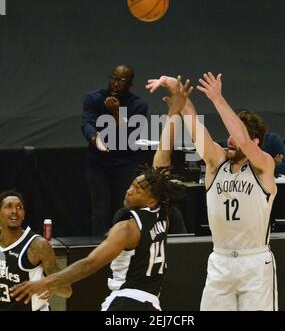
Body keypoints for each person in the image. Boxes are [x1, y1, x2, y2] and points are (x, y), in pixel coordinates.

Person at [10, 78, 192, 311]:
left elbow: (90, 263)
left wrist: (47, 281)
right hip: (152, 303)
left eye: (137, 189)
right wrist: (174, 112)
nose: (129, 190)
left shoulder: (127, 228)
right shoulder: (161, 210)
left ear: (150, 199)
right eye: (132, 185)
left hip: (126, 302)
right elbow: (163, 153)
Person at [146, 73, 278, 311]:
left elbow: (243, 141)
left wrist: (217, 99)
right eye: (228, 134)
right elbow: (190, 117)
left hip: (255, 262)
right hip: (220, 260)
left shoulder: (264, 166)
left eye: (235, 135)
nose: (230, 139)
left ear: (256, 141)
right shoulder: (216, 162)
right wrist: (173, 86)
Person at [81, 64, 148, 236]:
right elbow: (87, 123)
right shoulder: (94, 98)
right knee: (100, 211)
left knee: (124, 209)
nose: (115, 83)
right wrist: (95, 139)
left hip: (124, 164)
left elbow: (130, 139)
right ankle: (98, 252)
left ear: (130, 85)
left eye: (121, 80)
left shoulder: (138, 105)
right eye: (113, 78)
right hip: (98, 163)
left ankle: (123, 249)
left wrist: (117, 113)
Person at [0, 190, 72, 311]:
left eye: (19, 207)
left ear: (23, 215)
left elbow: (67, 290)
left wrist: (50, 286)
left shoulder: (38, 246)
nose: (14, 211)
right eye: (8, 207)